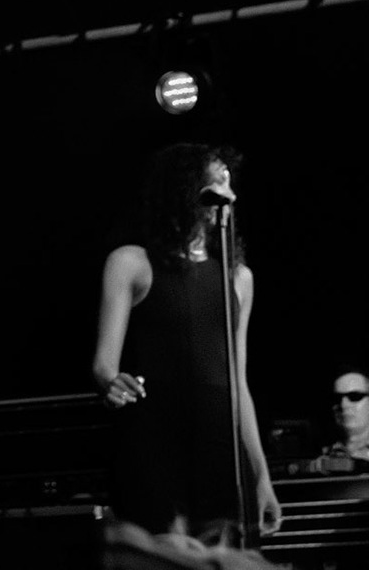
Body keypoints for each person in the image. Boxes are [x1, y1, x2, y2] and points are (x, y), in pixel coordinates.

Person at [92, 143, 281, 540]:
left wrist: (262, 477)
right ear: (184, 189)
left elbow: (237, 382)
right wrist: (113, 382)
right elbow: (104, 363)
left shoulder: (238, 277)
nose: (226, 195)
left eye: (228, 184)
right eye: (213, 183)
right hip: (156, 441)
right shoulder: (131, 262)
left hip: (220, 447)